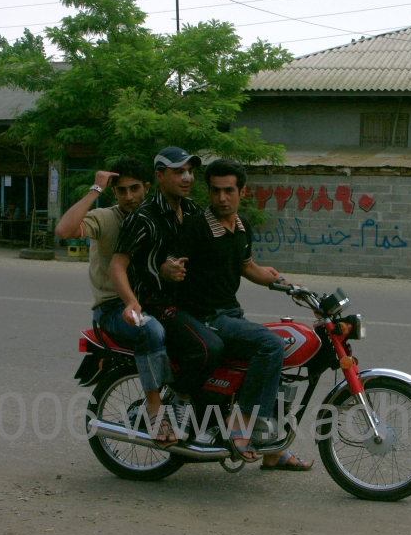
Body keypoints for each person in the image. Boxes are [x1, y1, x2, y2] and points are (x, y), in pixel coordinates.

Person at [173, 158, 313, 471]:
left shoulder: (242, 226)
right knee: (271, 344)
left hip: (231, 314)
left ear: (242, 192)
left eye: (229, 191)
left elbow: (246, 266)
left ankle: (272, 449)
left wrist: (284, 283)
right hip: (205, 316)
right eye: (215, 191)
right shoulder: (195, 228)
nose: (222, 198)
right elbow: (172, 263)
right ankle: (239, 423)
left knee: (281, 358)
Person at [54, 157, 175, 446]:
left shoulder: (157, 216)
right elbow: (64, 231)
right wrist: (95, 189)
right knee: (150, 329)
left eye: (135, 189)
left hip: (150, 301)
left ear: (147, 187)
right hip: (113, 308)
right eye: (122, 190)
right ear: (114, 192)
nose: (129, 196)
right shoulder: (106, 218)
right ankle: (154, 408)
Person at [109, 147, 223, 439]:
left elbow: (216, 246)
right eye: (178, 172)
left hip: (189, 303)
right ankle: (177, 401)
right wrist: (132, 301)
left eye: (190, 172)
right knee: (208, 347)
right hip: (156, 303)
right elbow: (117, 265)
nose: (187, 178)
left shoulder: (194, 210)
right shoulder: (143, 216)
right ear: (159, 177)